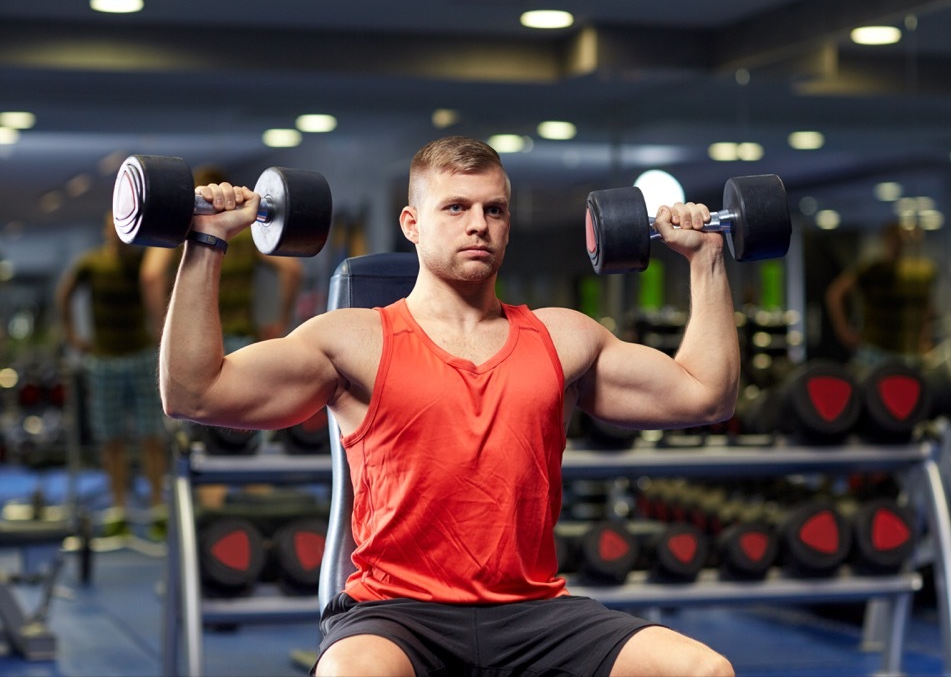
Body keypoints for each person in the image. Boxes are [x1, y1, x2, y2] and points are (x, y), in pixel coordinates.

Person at [157, 136, 738, 677]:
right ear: (412, 223)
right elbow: (193, 392)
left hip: (533, 614)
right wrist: (206, 242)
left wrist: (706, 259)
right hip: (399, 616)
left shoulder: (563, 339)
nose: (478, 226)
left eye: (495, 210)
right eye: (455, 208)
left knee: (705, 671)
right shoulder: (353, 339)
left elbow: (705, 394)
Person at [141, 165, 303, 507]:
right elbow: (292, 268)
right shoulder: (245, 231)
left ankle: (213, 525)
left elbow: (151, 275)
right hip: (244, 344)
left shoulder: (183, 225)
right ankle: (255, 516)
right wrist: (281, 319)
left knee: (208, 447)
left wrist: (165, 332)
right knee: (247, 439)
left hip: (199, 345)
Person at [55, 212, 168, 537]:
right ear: (106, 231)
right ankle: (118, 508)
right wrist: (72, 335)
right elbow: (64, 294)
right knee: (111, 438)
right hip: (103, 361)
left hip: (140, 356)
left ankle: (158, 506)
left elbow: (158, 288)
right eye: (112, 229)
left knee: (152, 436)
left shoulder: (143, 263)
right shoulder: (90, 264)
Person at [825, 221, 936, 368]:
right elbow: (835, 293)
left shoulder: (917, 273)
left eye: (901, 238)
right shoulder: (873, 270)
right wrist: (843, 331)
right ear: (886, 240)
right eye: (894, 239)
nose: (898, 243)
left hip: (908, 350)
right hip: (875, 349)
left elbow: (925, 309)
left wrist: (925, 337)